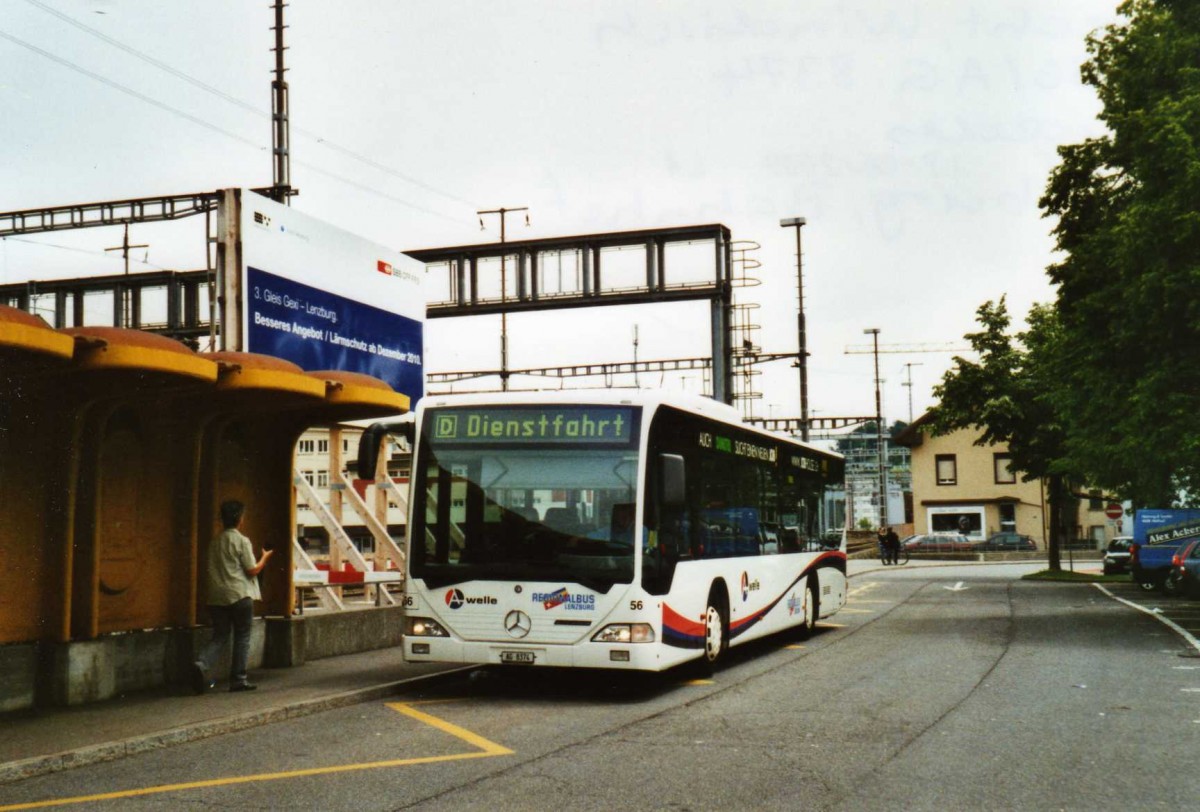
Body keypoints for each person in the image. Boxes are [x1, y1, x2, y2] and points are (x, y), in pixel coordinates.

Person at [192, 499, 273, 694]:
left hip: (217, 597)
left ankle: (202, 663)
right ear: (240, 519)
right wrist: (265, 558)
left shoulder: (215, 542)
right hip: (239, 595)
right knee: (242, 636)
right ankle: (238, 679)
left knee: (220, 635)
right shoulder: (241, 541)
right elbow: (252, 570)